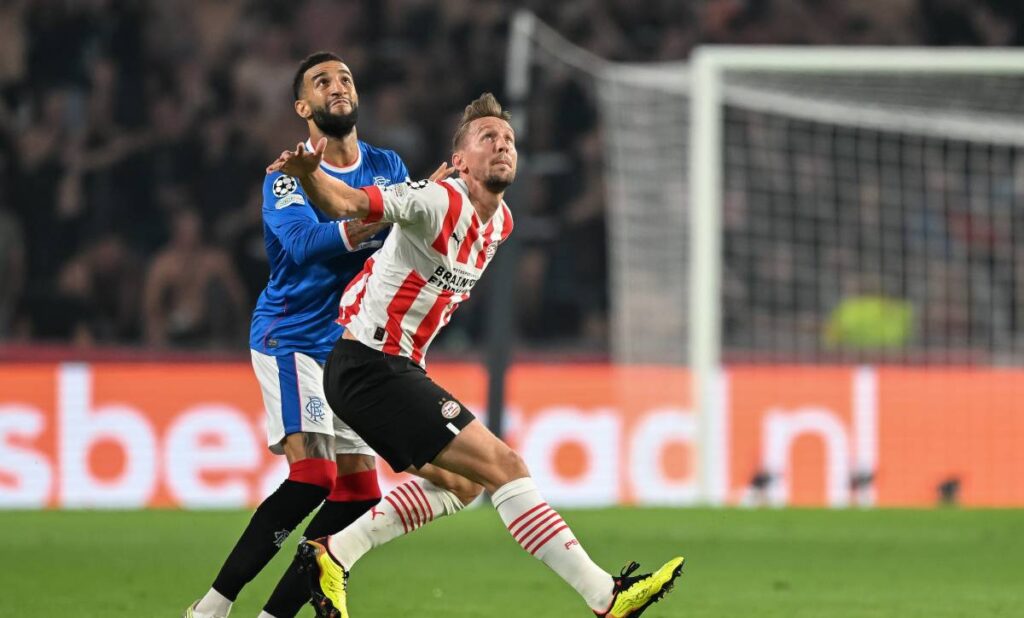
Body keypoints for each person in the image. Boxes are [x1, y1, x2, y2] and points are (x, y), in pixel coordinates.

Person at [268, 93, 684, 618]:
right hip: (368, 365)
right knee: (506, 465)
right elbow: (347, 204)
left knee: (463, 485)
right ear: (460, 161)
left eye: (508, 139)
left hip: (389, 369)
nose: (502, 145)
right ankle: (606, 596)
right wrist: (309, 175)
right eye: (487, 137)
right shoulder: (435, 200)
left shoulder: (502, 222)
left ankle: (335, 552)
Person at [186, 52, 479, 618]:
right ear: (304, 107)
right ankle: (212, 609)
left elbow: (406, 232)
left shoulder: (387, 164)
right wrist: (388, 215)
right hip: (292, 335)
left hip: (351, 349)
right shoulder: (288, 175)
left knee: (360, 493)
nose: (338, 86)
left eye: (345, 78)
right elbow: (301, 244)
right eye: (322, 81)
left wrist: (425, 206)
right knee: (314, 475)